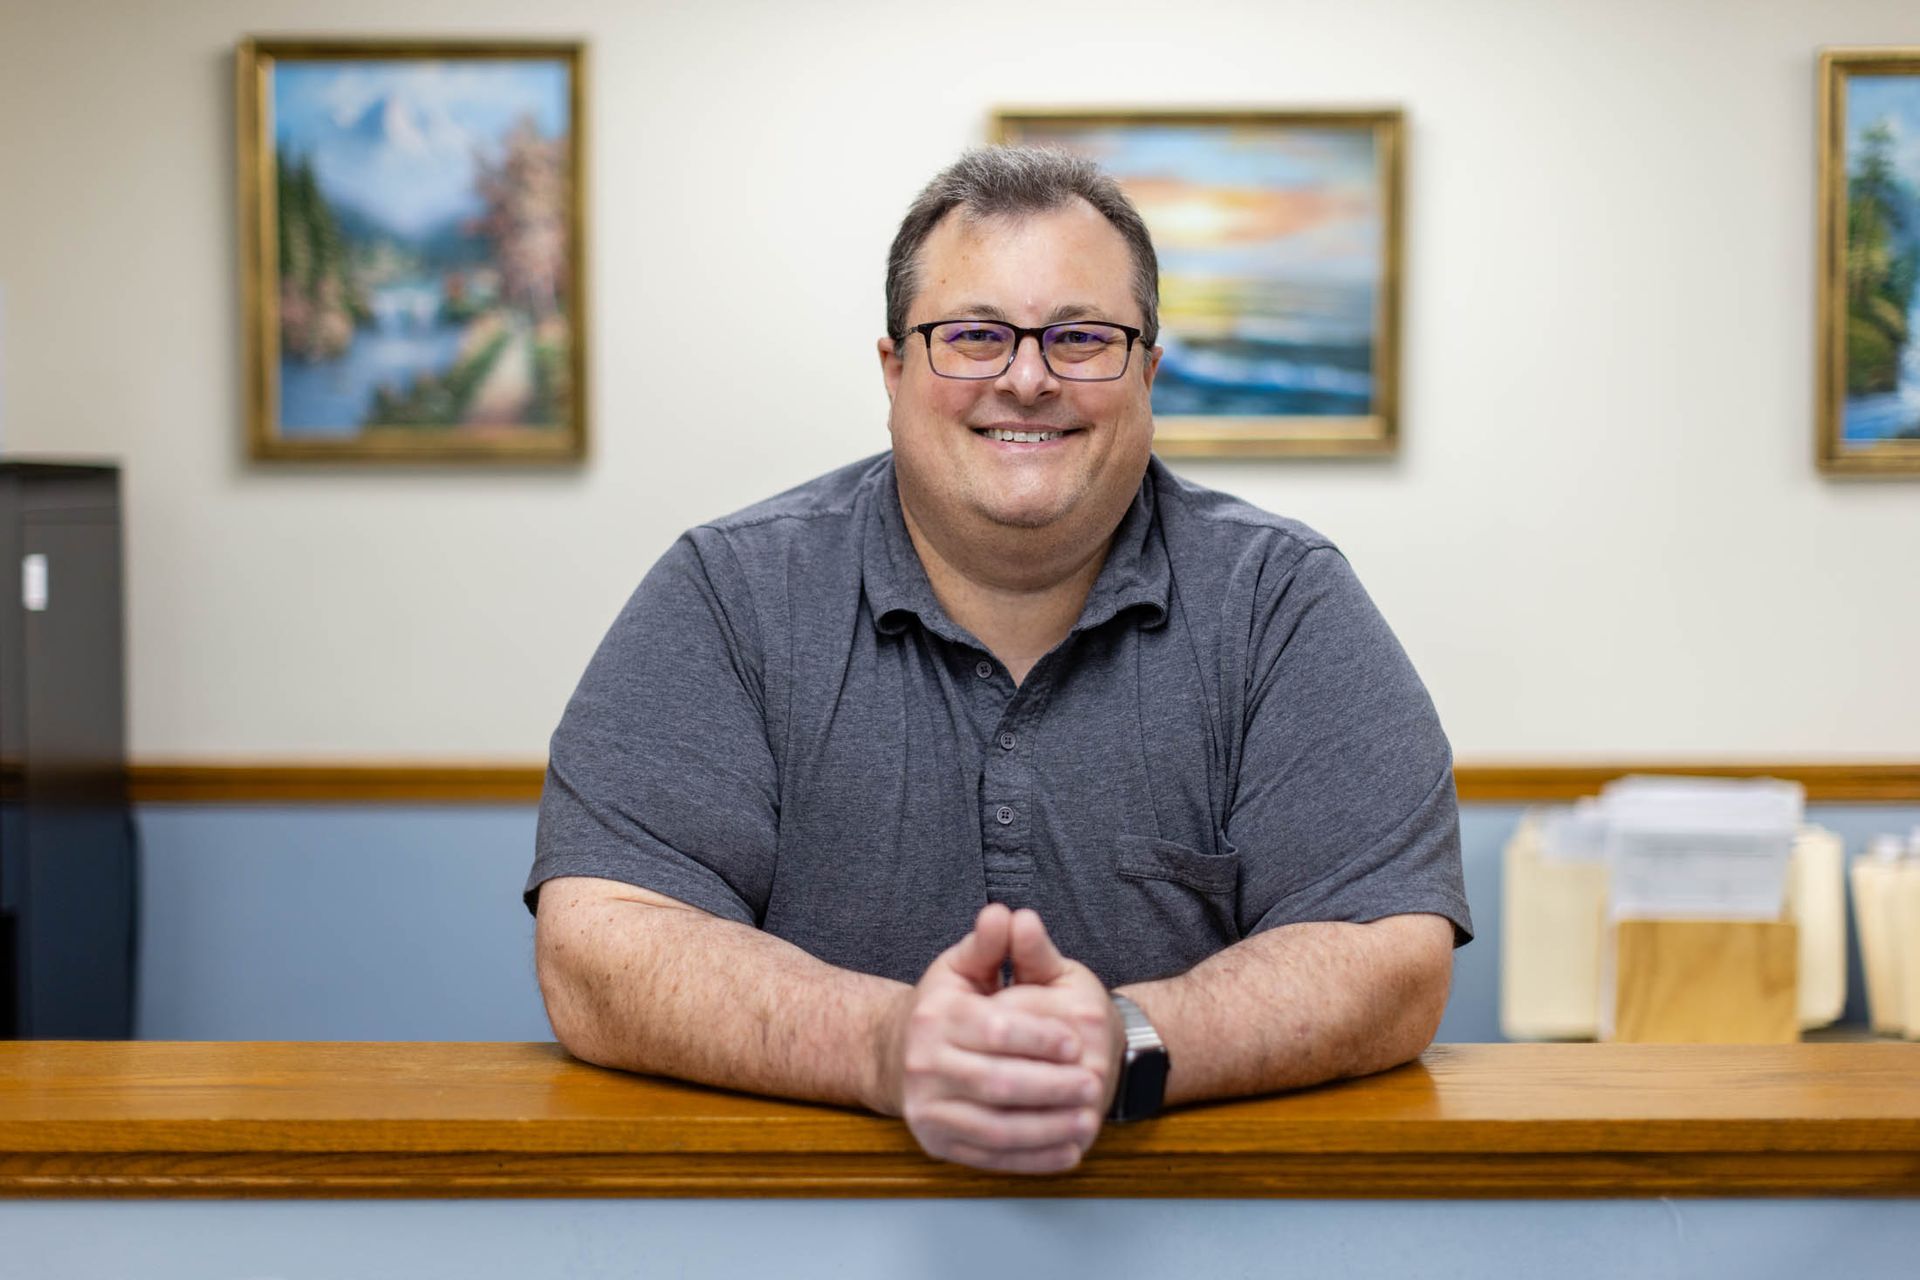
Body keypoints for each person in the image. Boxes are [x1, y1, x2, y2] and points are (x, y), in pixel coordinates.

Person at [524, 146, 1472, 1175]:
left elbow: (1390, 952)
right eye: (974, 335)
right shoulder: (729, 592)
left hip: (1194, 1231)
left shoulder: (1280, 599)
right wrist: (885, 1044)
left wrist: (1125, 1038)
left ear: (1149, 373)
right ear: (894, 371)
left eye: (1082, 338)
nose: (1026, 380)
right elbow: (598, 943)